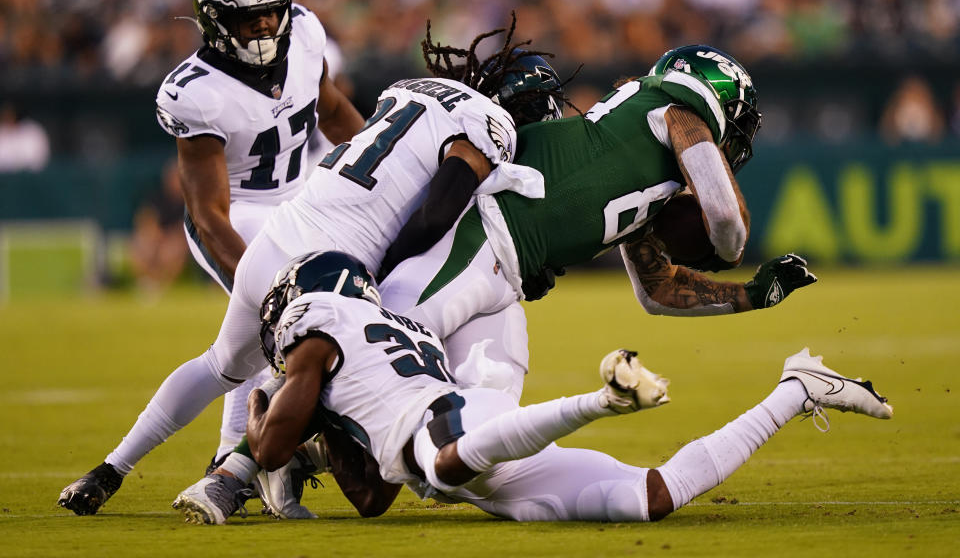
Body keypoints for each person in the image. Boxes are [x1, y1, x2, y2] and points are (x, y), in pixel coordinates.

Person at [57, 17, 568, 518]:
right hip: (327, 267)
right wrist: (382, 273)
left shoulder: (417, 89)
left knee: (220, 364)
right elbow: (435, 215)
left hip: (280, 232)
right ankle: (230, 479)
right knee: (328, 374)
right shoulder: (490, 126)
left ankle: (109, 469)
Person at [175, 251, 892, 524]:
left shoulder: (314, 324)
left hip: (450, 427)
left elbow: (267, 449)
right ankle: (799, 388)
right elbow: (372, 499)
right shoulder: (369, 331)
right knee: (651, 498)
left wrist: (267, 407)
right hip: (471, 433)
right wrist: (326, 433)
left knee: (446, 463)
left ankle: (602, 401)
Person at [377, 44, 818, 402]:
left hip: (506, 275)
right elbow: (726, 220)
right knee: (380, 351)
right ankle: (308, 451)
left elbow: (658, 291)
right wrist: (726, 253)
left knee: (482, 418)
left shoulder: (644, 165)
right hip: (483, 236)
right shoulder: (674, 111)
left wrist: (753, 294)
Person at [152, 0, 365, 478]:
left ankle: (248, 457)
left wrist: (383, 172)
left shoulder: (307, 35)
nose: (268, 24)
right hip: (239, 213)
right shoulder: (195, 93)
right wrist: (262, 293)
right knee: (256, 333)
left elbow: (335, 112)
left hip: (303, 204)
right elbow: (210, 214)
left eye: (273, 11)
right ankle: (231, 463)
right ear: (217, 20)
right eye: (251, 17)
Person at [129, 161, 190, 296]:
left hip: (175, 241)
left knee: (172, 249)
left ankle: (162, 285)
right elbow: (145, 218)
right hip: (156, 238)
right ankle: (147, 282)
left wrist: (168, 238)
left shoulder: (188, 202)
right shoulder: (157, 197)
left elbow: (184, 230)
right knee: (141, 246)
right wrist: (155, 235)